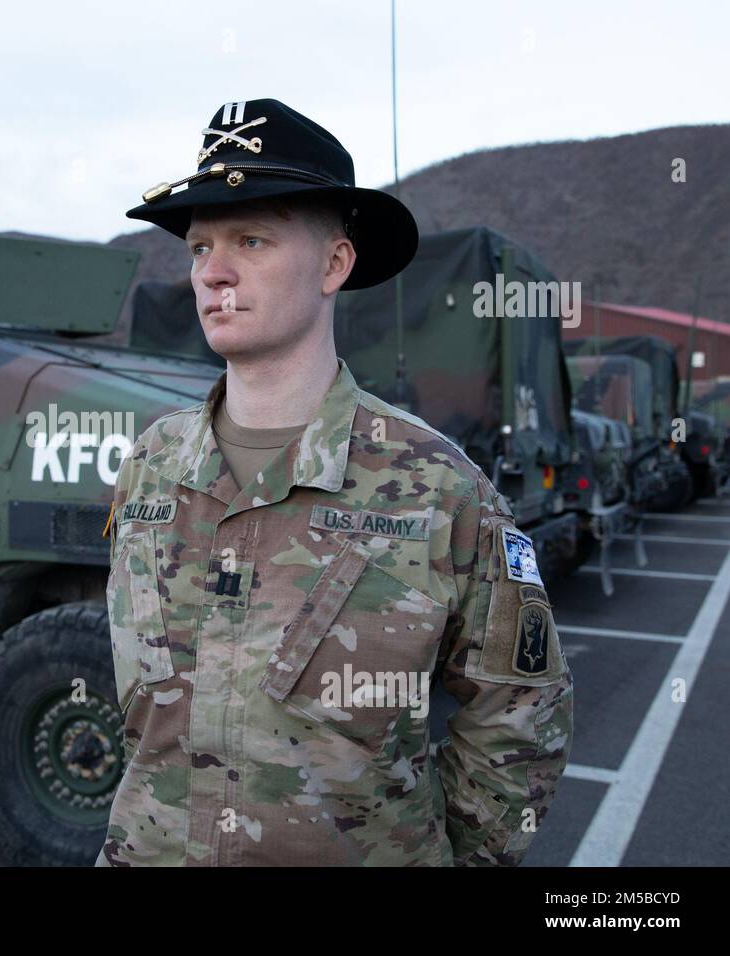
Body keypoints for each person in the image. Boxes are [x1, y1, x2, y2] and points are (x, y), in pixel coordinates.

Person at [98, 98, 573, 866]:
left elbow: (521, 714)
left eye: (251, 239)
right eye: (199, 247)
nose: (213, 272)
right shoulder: (151, 465)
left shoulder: (435, 487)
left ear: (333, 265)